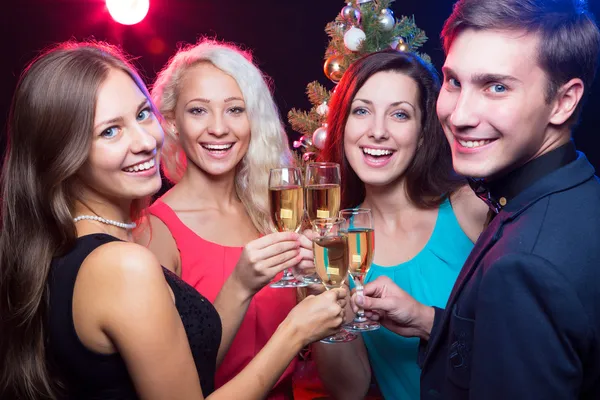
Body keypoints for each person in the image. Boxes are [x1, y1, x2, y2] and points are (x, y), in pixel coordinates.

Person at [0, 41, 346, 400]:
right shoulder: (124, 263)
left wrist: (241, 286)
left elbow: (189, 362)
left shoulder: (75, 246)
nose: (145, 140)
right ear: (63, 153)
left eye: (141, 115)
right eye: (110, 131)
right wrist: (295, 331)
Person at [353, 0, 600, 398]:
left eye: (496, 86)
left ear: (563, 101)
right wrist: (425, 320)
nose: (459, 114)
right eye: (453, 81)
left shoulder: (524, 266)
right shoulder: (575, 191)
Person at [309, 49, 488, 400]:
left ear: (423, 133)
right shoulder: (334, 244)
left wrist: (424, 321)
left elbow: (527, 345)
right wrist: (320, 289)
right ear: (342, 125)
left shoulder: (472, 209)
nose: (377, 131)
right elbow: (349, 389)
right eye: (362, 111)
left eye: (400, 115)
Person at [144, 39, 315, 399]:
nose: (219, 128)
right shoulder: (155, 231)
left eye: (235, 110)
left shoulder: (273, 216)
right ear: (172, 123)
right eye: (199, 111)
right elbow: (177, 382)